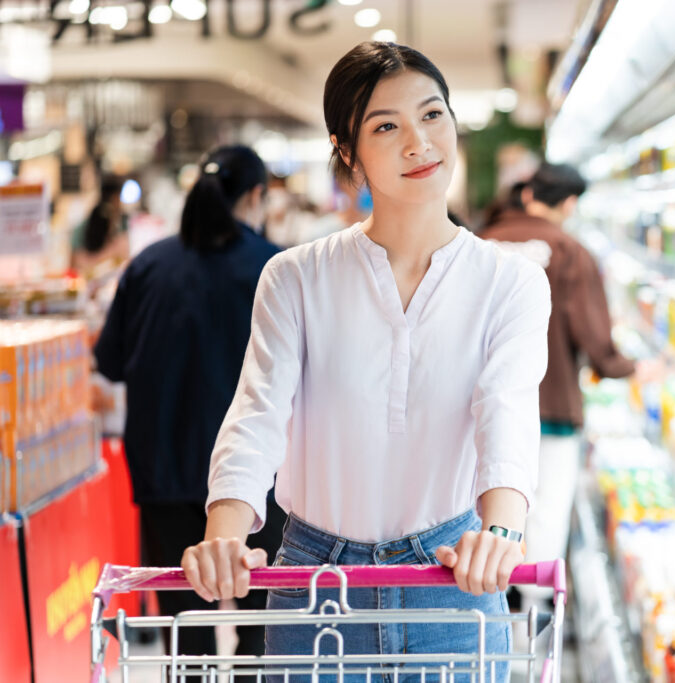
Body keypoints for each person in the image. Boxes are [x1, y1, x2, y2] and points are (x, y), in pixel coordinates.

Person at [179, 42, 551, 683]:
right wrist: (225, 532)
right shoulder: (296, 277)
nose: (419, 143)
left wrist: (502, 534)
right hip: (314, 583)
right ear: (346, 150)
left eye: (432, 115)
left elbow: (507, 413)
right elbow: (258, 413)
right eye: (386, 127)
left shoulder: (510, 281)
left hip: (451, 579)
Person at [93, 145, 286, 664]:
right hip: (260, 486)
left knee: (184, 637)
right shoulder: (277, 268)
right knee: (262, 634)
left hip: (166, 477)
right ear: (256, 197)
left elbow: (110, 362)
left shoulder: (147, 266)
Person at [479, 162, 637, 615]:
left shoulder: (480, 243)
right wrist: (623, 367)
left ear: (528, 194)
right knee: (546, 508)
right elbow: (595, 337)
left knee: (486, 503)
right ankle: (533, 611)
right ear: (569, 204)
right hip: (551, 403)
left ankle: (490, 597)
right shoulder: (570, 251)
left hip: (482, 404)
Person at [71, 174, 130, 275]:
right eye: (119, 198)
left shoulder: (84, 224)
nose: (120, 203)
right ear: (114, 197)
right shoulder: (114, 224)